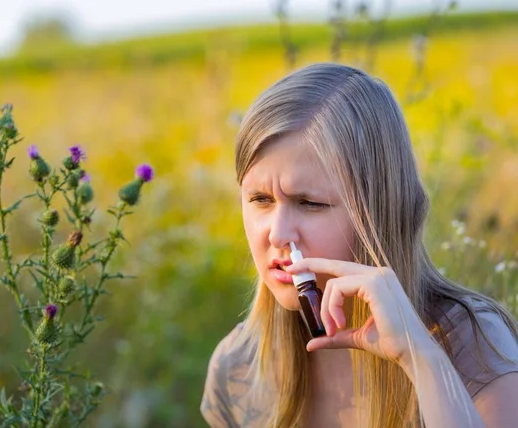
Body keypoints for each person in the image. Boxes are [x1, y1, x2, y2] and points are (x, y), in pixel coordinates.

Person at [200, 63, 518, 428]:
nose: (277, 234)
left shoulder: (476, 350)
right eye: (260, 199)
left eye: (310, 203)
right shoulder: (238, 368)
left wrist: (423, 360)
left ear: (379, 210)